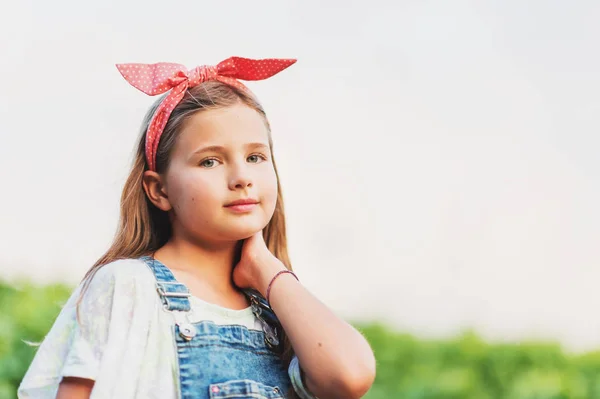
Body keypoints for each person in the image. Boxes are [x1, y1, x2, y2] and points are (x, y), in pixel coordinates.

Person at [17, 56, 376, 399]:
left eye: (255, 157)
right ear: (160, 190)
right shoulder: (128, 286)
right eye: (210, 161)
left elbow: (349, 377)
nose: (241, 178)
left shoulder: (280, 314)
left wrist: (268, 270)